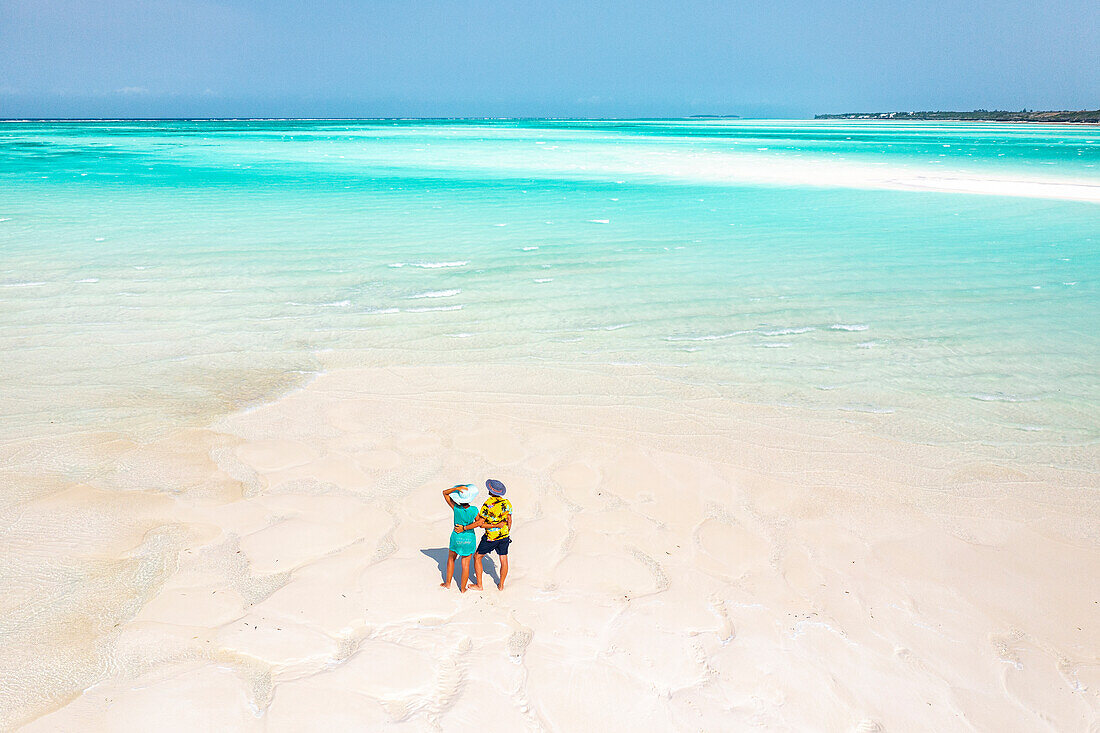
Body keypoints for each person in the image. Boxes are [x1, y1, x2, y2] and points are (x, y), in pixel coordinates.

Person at [455, 478, 512, 590]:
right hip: (504, 536)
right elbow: (509, 520)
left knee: (477, 557)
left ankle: (479, 585)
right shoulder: (507, 503)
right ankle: (501, 585)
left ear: (491, 491)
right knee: (504, 560)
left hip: (491, 538)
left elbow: (481, 524)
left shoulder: (488, 504)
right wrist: (505, 530)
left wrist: (465, 528)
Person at [440, 484, 480, 592]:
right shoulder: (474, 510)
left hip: (456, 537)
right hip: (469, 538)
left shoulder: (456, 508)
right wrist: (466, 528)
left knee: (451, 559)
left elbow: (444, 492)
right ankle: (462, 588)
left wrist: (456, 489)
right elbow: (479, 523)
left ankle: (448, 583)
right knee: (465, 564)